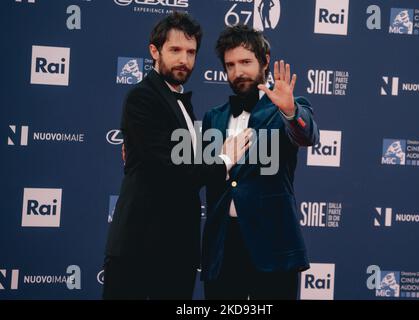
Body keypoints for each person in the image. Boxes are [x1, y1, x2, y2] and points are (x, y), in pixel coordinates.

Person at [103, 12, 250, 300]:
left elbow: (181, 167)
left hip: (176, 253)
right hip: (139, 249)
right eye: (175, 50)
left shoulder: (180, 103)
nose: (184, 59)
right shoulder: (142, 98)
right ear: (154, 51)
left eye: (191, 52)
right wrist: (223, 160)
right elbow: (172, 168)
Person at [201, 25, 320, 300]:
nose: (237, 71)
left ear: (265, 61)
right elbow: (208, 173)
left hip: (273, 244)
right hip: (222, 248)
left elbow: (307, 134)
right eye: (230, 65)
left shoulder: (286, 107)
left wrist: (290, 111)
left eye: (245, 62)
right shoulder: (213, 117)